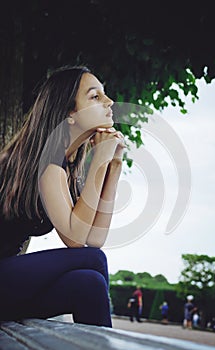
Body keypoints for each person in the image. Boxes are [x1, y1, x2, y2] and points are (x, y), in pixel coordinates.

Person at [0, 65, 126, 326]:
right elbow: (77, 241)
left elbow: (95, 238)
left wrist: (113, 167)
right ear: (70, 113)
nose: (109, 101)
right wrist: (100, 158)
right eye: (95, 96)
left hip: (7, 282)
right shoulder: (46, 167)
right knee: (94, 261)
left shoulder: (65, 168)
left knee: (88, 284)